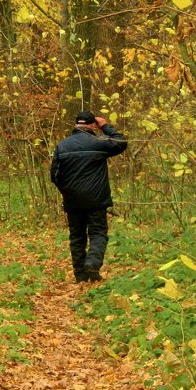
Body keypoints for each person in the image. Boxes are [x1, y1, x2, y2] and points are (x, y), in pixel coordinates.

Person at [50, 110, 128, 282]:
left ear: (75, 125)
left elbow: (54, 176)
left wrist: (68, 191)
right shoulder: (98, 142)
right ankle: (92, 263)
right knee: (98, 233)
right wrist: (106, 126)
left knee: (77, 237)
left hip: (73, 201)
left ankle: (80, 275)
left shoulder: (62, 146)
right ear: (93, 125)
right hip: (96, 200)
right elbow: (121, 142)